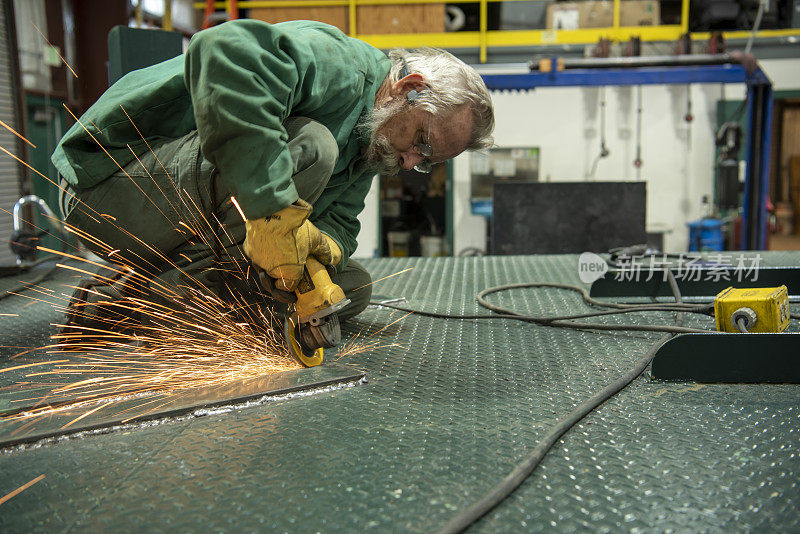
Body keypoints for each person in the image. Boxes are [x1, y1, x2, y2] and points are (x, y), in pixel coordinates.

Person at [52, 19, 494, 330]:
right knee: (313, 147)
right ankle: (155, 291)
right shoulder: (340, 64)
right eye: (422, 143)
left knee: (349, 291)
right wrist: (272, 212)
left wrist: (320, 250)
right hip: (107, 184)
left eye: (429, 161)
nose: (413, 163)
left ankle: (131, 303)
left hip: (182, 224)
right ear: (408, 89)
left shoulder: (374, 141)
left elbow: (340, 223)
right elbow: (223, 49)